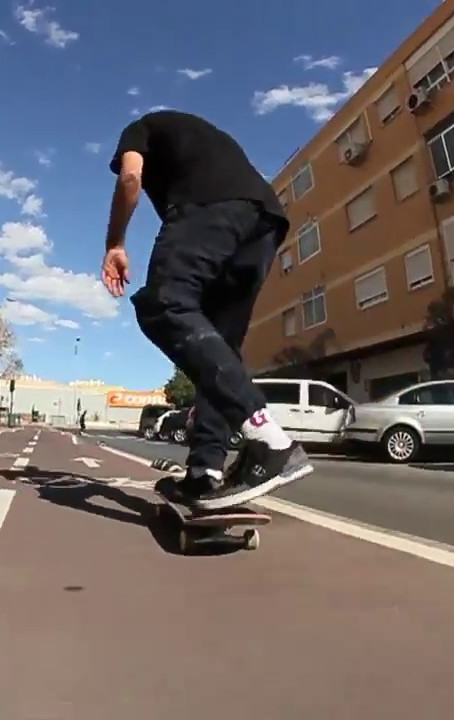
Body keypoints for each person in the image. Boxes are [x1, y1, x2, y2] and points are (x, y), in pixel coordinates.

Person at [100, 109, 313, 511]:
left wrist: (115, 243)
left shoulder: (140, 128)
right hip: (264, 222)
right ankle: (204, 472)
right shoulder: (204, 136)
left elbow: (130, 177)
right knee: (219, 348)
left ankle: (271, 442)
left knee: (163, 303)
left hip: (209, 208)